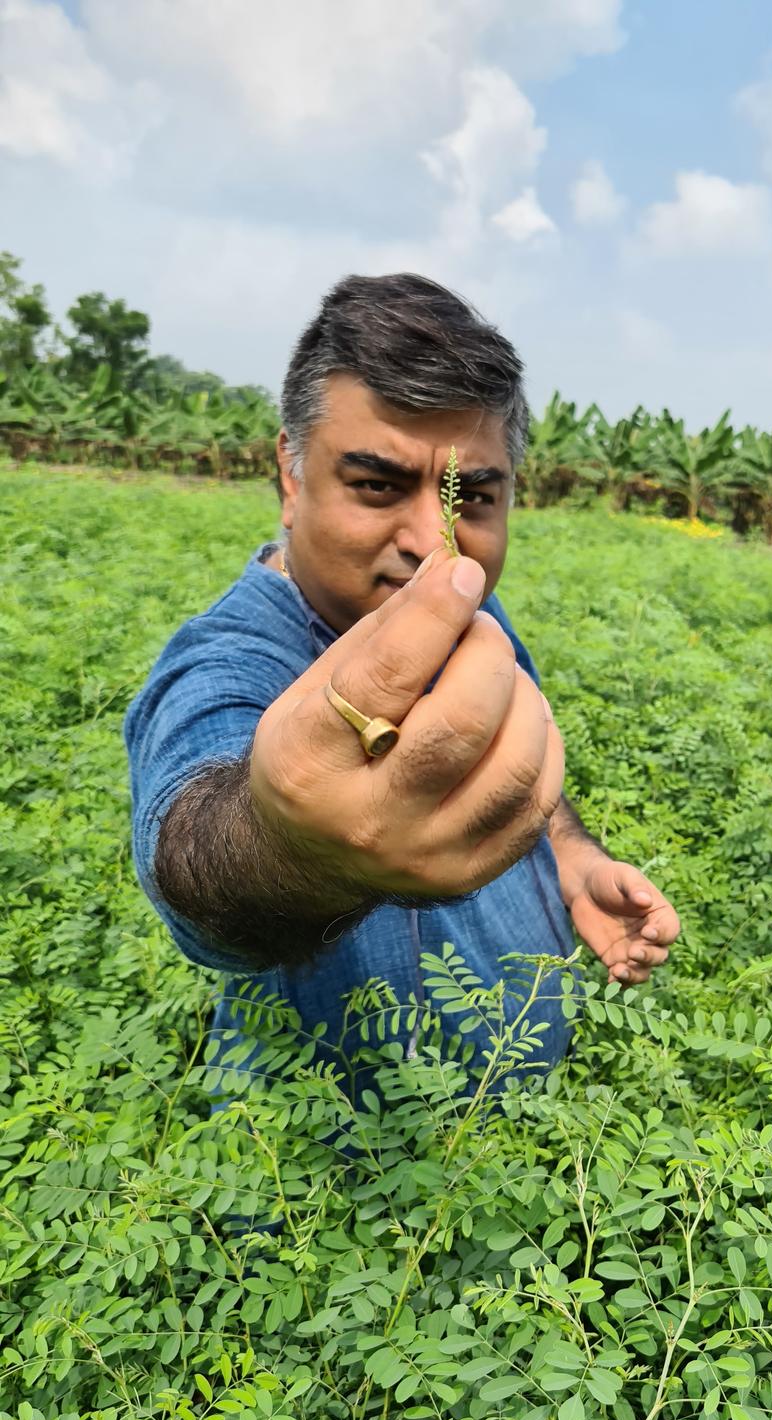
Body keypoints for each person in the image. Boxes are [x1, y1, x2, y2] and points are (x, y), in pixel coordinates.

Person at [126, 273, 679, 1090]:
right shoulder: (234, 654)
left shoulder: (474, 620)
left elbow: (510, 763)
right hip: (324, 1184)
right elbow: (198, 851)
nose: (436, 546)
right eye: (378, 485)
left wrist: (574, 862)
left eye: (474, 497)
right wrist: (293, 843)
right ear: (289, 472)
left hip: (528, 1164)